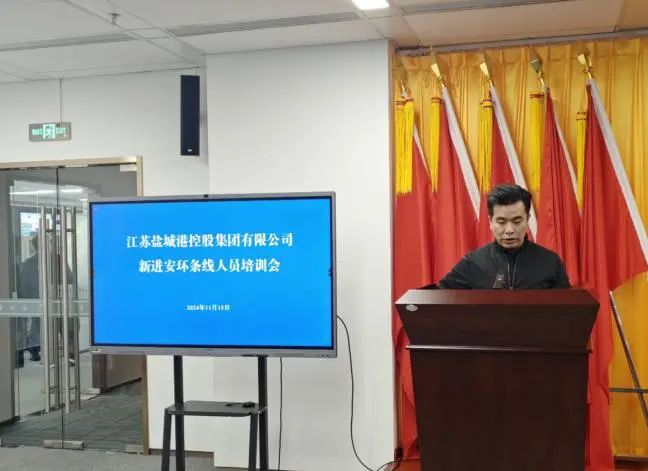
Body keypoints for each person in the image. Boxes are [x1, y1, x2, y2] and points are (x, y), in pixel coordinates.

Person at [438, 183, 570, 289]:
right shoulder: (472, 263)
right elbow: (438, 299)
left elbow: (567, 308)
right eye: (501, 222)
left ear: (527, 219)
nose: (509, 230)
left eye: (517, 221)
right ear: (490, 222)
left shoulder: (550, 262)